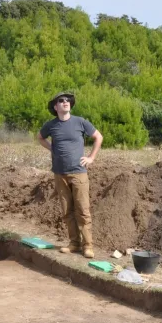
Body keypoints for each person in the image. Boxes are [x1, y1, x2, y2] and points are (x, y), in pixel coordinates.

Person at [36, 91, 103, 259]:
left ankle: (88, 246)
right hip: (60, 174)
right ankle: (74, 243)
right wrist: (52, 148)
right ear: (55, 106)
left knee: (82, 210)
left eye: (68, 100)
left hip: (78, 173)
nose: (65, 102)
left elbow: (98, 137)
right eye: (61, 100)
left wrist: (91, 158)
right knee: (67, 211)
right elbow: (40, 137)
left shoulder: (80, 122)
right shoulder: (51, 125)